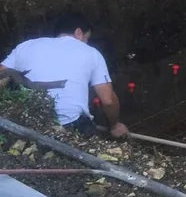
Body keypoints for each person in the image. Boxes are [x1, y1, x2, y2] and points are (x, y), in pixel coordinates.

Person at [0, 14, 129, 138]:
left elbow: (2, 75)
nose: (86, 42)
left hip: (25, 119)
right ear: (79, 33)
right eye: (87, 38)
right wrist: (114, 126)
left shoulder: (26, 45)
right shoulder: (91, 53)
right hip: (70, 123)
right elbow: (108, 101)